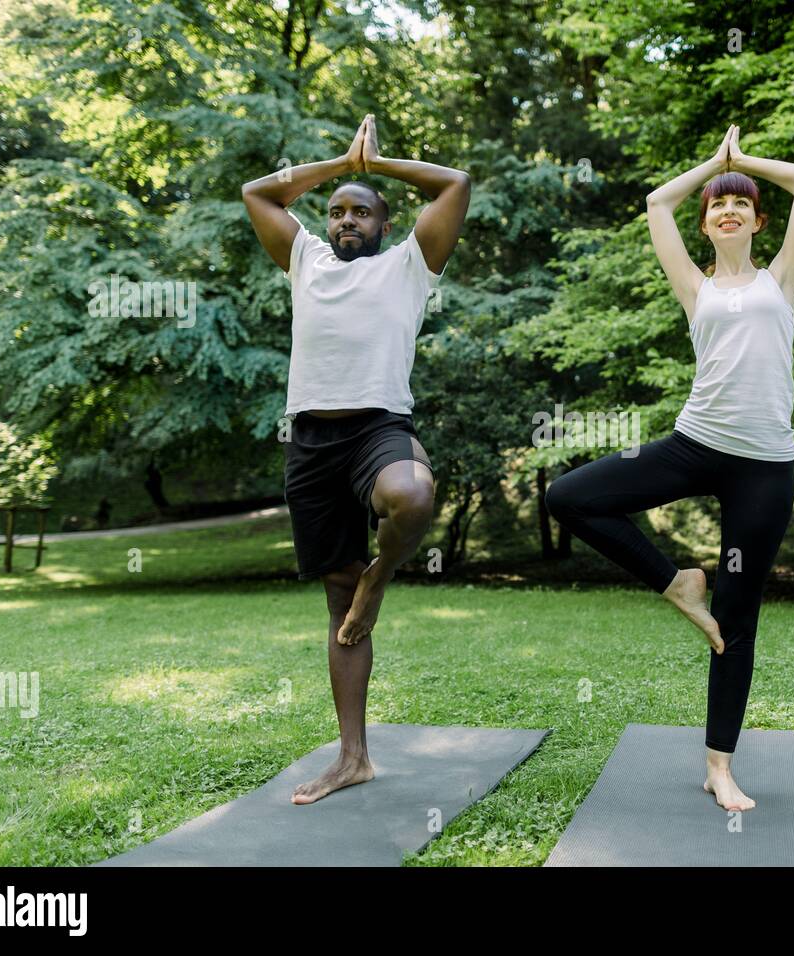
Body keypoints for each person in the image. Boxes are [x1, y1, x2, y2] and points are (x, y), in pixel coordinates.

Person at [545, 125, 794, 811]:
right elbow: (655, 204)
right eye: (716, 205)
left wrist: (741, 162)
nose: (726, 210)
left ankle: (719, 766)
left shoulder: (780, 279)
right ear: (706, 224)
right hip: (694, 444)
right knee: (570, 496)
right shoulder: (694, 286)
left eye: (740, 203)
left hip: (763, 467)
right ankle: (677, 583)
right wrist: (712, 166)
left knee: (738, 620)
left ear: (759, 221)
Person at [241, 114, 470, 805]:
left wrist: (375, 166)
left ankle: (383, 577)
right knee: (338, 601)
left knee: (413, 497)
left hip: (377, 427)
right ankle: (353, 757)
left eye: (359, 212)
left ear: (382, 222)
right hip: (310, 441)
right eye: (337, 211)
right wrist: (340, 168)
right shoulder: (305, 258)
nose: (345, 219)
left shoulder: (411, 265)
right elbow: (258, 194)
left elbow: (455, 184)